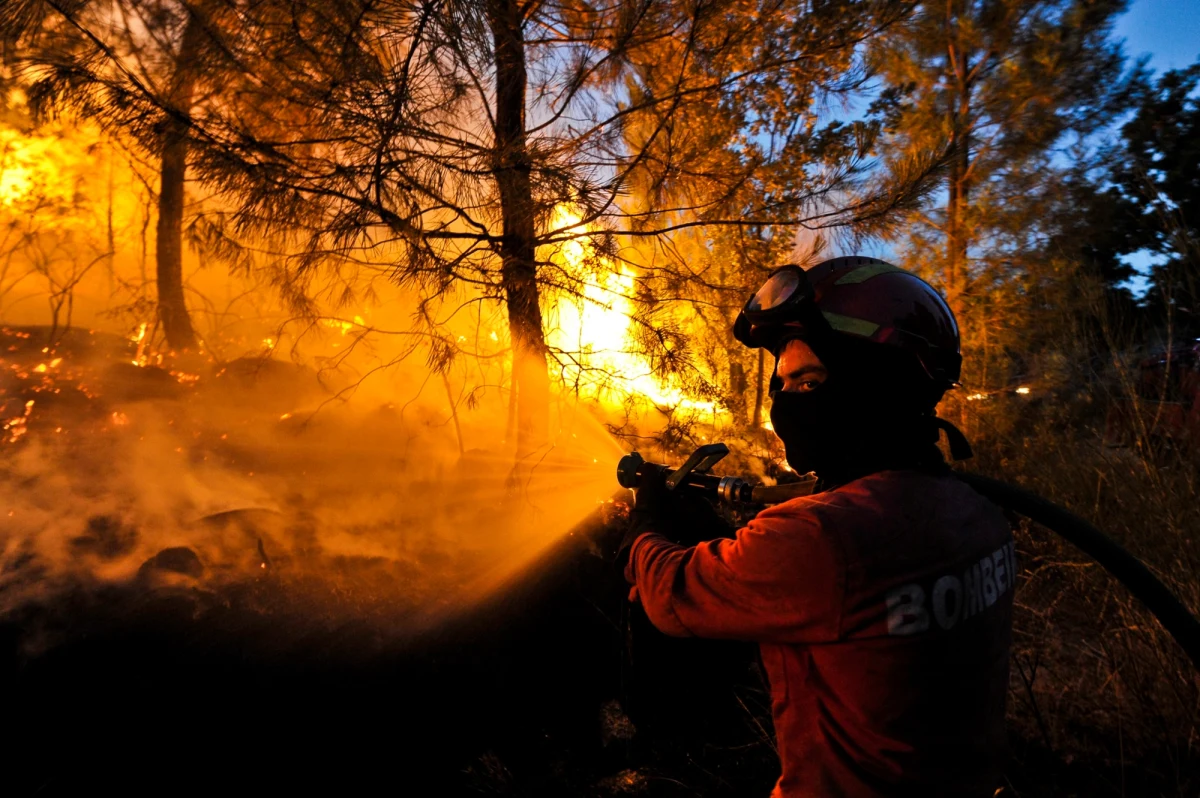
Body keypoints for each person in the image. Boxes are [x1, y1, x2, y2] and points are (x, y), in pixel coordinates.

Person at [620, 257, 1015, 797]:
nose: (786, 404)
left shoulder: (820, 539)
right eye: (782, 385)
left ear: (877, 382)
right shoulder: (977, 512)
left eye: (809, 381)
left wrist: (645, 524)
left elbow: (671, 594)